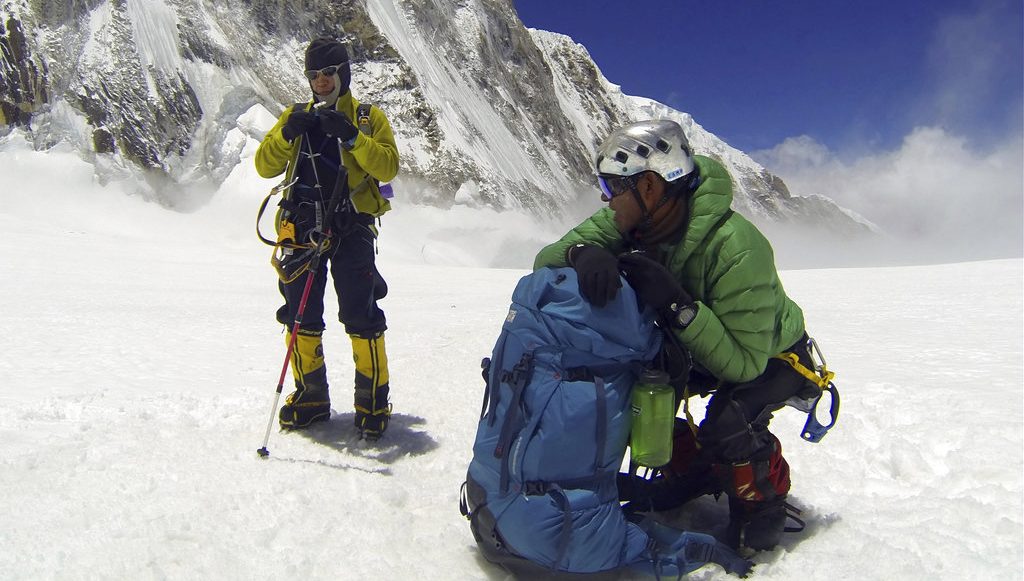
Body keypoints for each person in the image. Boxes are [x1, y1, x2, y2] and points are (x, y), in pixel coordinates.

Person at [533, 119, 823, 551]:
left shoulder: (737, 246)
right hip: (701, 344)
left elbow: (743, 364)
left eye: (611, 187)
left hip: (773, 353)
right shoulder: (632, 220)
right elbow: (545, 261)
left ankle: (764, 503)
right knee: (636, 388)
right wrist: (581, 252)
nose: (605, 200)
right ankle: (695, 468)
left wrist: (677, 306)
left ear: (648, 187)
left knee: (730, 423)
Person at [255, 37, 399, 439]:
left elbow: (388, 166)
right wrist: (286, 135)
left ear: (343, 73)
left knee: (361, 313)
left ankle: (372, 402)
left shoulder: (368, 118)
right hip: (301, 228)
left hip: (352, 226)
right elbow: (264, 165)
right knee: (300, 314)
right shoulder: (294, 116)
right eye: (313, 74)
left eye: (328, 73)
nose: (320, 81)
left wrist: (353, 137)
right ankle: (311, 397)